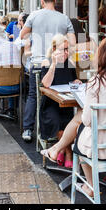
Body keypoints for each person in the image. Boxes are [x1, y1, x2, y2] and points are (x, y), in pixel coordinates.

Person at [40, 36, 106, 196]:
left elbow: (87, 121)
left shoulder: (96, 84)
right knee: (81, 120)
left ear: (103, 57)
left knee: (79, 134)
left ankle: (90, 185)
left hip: (100, 149)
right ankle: (58, 149)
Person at [19, 0, 76, 142]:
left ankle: (28, 130)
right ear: (55, 1)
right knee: (57, 95)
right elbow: (72, 43)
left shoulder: (34, 16)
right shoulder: (64, 18)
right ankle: (62, 132)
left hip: (38, 61)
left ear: (41, 1)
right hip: (58, 62)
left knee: (33, 96)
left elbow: (22, 34)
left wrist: (33, 38)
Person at [39, 34, 81, 167]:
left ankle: (61, 150)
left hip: (65, 104)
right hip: (50, 105)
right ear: (54, 49)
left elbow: (72, 80)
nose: (66, 52)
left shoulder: (70, 64)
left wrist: (76, 81)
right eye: (63, 49)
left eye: (67, 49)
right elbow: (45, 84)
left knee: (69, 123)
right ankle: (68, 152)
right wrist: (53, 65)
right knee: (59, 124)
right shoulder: (47, 62)